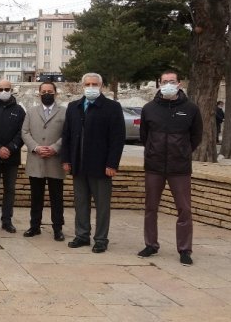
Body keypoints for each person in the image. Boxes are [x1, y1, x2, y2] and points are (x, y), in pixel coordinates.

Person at [138, 70, 202, 265]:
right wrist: (151, 151)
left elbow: (196, 136)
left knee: (184, 209)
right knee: (150, 207)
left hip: (179, 167)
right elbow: (144, 136)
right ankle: (151, 244)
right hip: (154, 165)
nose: (168, 84)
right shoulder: (149, 108)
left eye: (171, 81)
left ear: (179, 83)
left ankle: (184, 249)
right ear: (159, 84)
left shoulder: (191, 108)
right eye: (164, 81)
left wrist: (183, 151)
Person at [61, 73, 125, 253]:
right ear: (83, 86)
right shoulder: (74, 107)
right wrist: (66, 159)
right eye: (87, 84)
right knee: (80, 203)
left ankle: (101, 239)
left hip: (101, 166)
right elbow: (66, 135)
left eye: (94, 84)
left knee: (102, 205)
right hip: (78, 165)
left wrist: (112, 164)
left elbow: (117, 138)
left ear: (101, 86)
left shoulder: (112, 107)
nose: (90, 87)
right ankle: (82, 235)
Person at [21, 81, 66, 241]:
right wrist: (35, 147)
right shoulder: (31, 112)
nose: (47, 94)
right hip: (36, 159)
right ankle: (34, 226)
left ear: (56, 93)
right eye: (44, 91)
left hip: (55, 160)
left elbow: (67, 134)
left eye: (50, 91)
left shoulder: (64, 112)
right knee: (36, 196)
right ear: (39, 94)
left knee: (57, 197)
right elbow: (25, 132)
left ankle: (58, 229)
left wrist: (55, 147)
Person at [0, 79, 25, 233]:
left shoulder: (19, 110)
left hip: (12, 157)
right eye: (1, 89)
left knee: (10, 190)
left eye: (6, 89)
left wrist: (10, 148)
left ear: (11, 89)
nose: (4, 91)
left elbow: (22, 132)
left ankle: (7, 220)